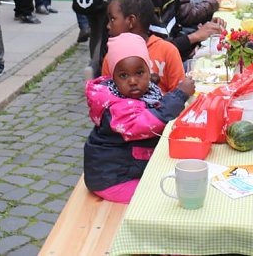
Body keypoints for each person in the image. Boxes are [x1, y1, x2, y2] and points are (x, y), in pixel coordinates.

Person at [83, 32, 194, 202]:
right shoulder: (114, 107)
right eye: (124, 75)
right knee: (164, 197)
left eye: (139, 72)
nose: (133, 81)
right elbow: (147, 122)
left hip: (128, 168)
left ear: (148, 71)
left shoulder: (143, 92)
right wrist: (179, 95)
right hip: (112, 179)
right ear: (113, 78)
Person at [101, 0, 186, 94]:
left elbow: (179, 93)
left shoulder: (167, 51)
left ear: (131, 21)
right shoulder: (112, 55)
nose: (108, 26)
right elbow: (106, 94)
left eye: (112, 19)